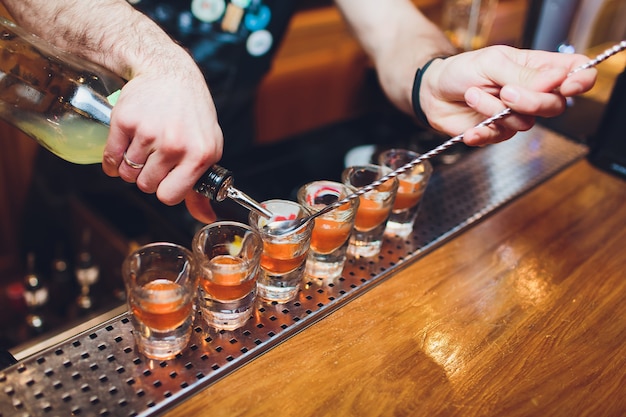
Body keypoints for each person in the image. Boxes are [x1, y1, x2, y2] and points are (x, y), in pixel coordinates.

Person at [0, 0, 598, 225]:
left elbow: (391, 29)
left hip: (220, 159)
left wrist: (433, 74)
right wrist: (160, 64)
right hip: (82, 143)